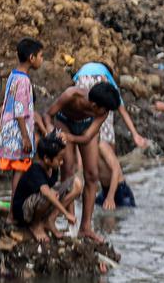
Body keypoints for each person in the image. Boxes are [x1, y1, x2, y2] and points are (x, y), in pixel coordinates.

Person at [46, 80, 121, 242]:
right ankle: (70, 220)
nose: (105, 113)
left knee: (92, 175)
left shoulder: (103, 111)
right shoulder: (71, 95)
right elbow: (48, 115)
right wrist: (51, 133)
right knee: (68, 170)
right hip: (64, 122)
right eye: (104, 109)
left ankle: (85, 227)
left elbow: (87, 137)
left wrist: (70, 138)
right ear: (94, 105)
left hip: (85, 129)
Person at [71, 61, 148, 210]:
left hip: (119, 192)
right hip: (107, 192)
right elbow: (121, 108)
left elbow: (116, 169)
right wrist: (135, 134)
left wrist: (111, 197)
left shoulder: (101, 144)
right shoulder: (105, 77)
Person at [0, 38, 46, 217]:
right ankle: (14, 213)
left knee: (17, 173)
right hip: (18, 133)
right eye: (41, 56)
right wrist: (26, 137)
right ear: (31, 57)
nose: (42, 60)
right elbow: (19, 111)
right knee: (19, 174)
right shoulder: (24, 81)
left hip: (10, 130)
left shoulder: (14, 75)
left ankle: (14, 210)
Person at [12, 133, 80, 243]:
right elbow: (46, 192)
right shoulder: (35, 170)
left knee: (76, 184)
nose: (61, 163)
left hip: (39, 201)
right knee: (48, 194)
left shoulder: (53, 167)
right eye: (59, 159)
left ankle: (50, 220)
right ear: (47, 159)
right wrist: (66, 214)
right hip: (24, 211)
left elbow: (51, 190)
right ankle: (35, 225)